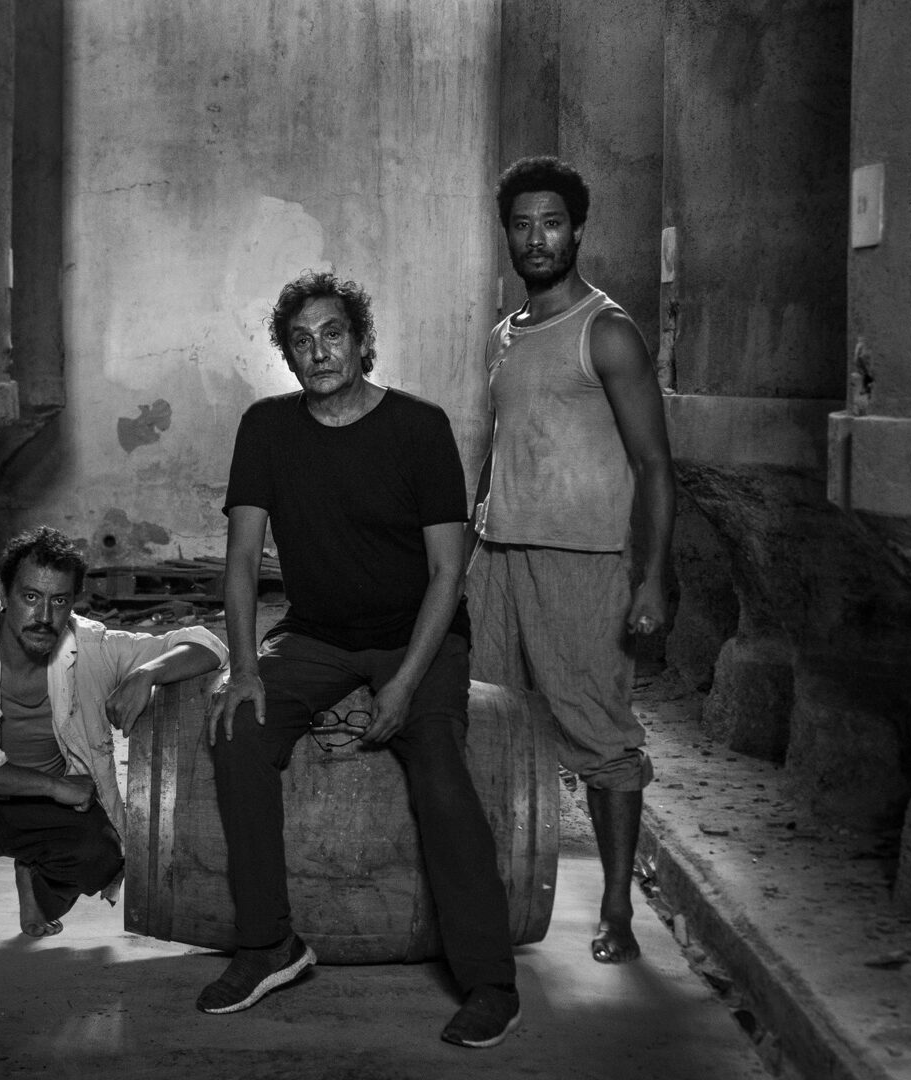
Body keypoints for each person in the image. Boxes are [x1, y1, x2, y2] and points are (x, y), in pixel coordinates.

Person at [199, 270, 521, 1049]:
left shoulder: (418, 428)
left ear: (362, 341)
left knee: (438, 764)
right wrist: (244, 668)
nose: (319, 352)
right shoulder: (266, 429)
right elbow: (240, 562)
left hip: (417, 634)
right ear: (288, 355)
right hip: (315, 634)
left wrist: (405, 685)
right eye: (301, 340)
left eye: (333, 333)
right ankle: (269, 944)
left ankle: (490, 983)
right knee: (239, 732)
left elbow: (447, 571)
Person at [468, 156, 677, 965]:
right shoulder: (503, 335)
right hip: (499, 560)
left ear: (578, 230)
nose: (537, 238)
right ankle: (497, 893)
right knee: (490, 724)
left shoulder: (607, 331)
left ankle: (617, 911)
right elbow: (499, 449)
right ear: (508, 235)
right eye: (523, 225)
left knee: (600, 737)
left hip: (585, 562)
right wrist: (471, 542)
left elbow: (655, 464)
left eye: (551, 223)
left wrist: (652, 577)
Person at [0, 526, 226, 959]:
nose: (44, 616)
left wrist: (146, 673)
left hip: (42, 811)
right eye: (30, 597)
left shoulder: (91, 645)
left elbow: (207, 645)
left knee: (101, 856)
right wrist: (55, 786)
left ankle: (33, 878)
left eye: (59, 601)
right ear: (3, 592)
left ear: (73, 603)